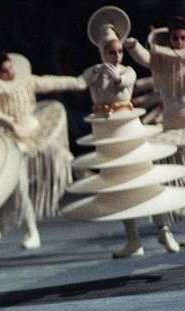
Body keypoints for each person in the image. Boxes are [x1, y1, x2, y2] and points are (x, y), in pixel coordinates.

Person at [76, 6, 181, 257]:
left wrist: (115, 76)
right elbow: (83, 80)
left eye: (120, 51)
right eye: (111, 52)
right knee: (119, 186)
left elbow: (123, 81)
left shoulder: (128, 71)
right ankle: (133, 239)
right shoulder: (94, 72)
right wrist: (97, 72)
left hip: (129, 131)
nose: (117, 56)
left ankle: (163, 229)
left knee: (146, 178)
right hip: (107, 134)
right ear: (102, 52)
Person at [0, 51, 87, 249]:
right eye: (4, 71)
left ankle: (86, 179)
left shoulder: (26, 80)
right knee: (20, 186)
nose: (10, 73)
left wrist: (78, 81)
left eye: (10, 68)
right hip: (13, 139)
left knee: (64, 154)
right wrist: (9, 122)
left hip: (36, 129)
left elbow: (51, 82)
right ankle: (31, 231)